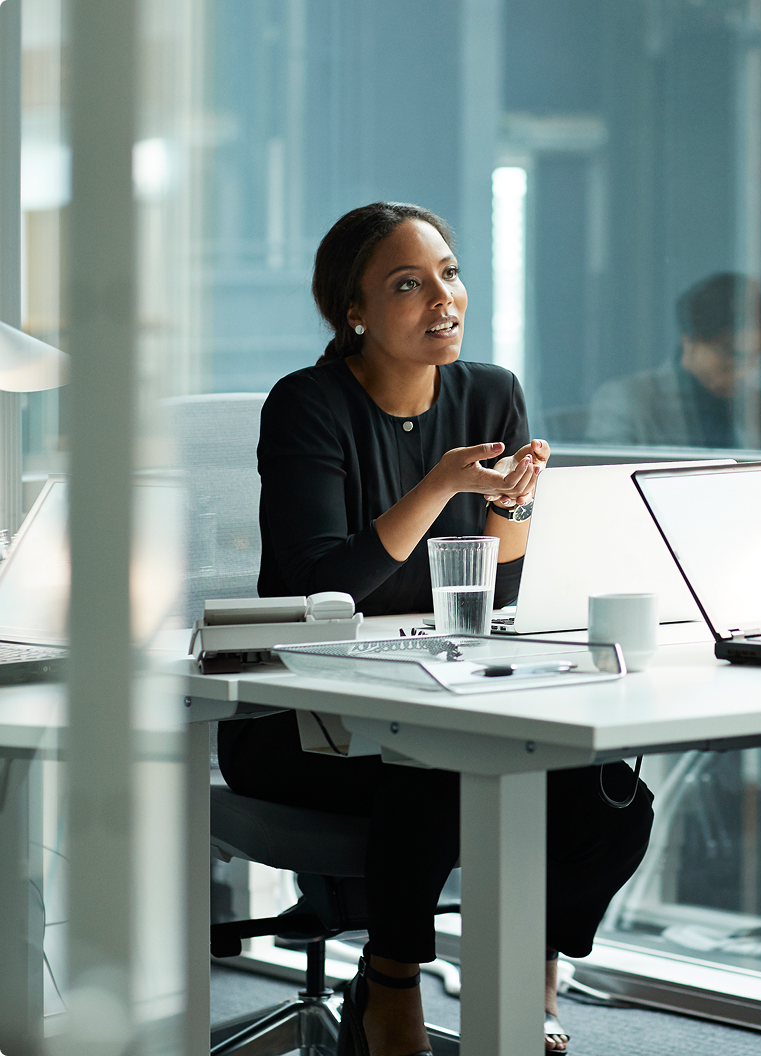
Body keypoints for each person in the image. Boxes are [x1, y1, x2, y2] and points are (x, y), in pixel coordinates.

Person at [216, 202, 654, 1056]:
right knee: (442, 763)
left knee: (609, 799)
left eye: (449, 274)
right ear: (354, 310)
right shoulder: (308, 404)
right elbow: (318, 588)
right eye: (407, 284)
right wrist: (439, 488)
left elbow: (500, 589)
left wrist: (513, 502)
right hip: (295, 716)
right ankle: (390, 989)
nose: (442, 298)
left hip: (435, 686)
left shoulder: (491, 393)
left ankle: (528, 971)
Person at [587, 272, 761, 449]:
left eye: (758, 356)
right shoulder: (628, 399)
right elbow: (610, 473)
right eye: (731, 354)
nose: (746, 372)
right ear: (690, 342)